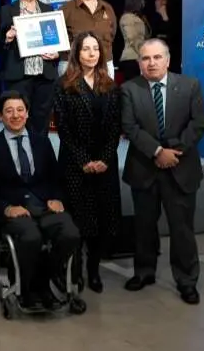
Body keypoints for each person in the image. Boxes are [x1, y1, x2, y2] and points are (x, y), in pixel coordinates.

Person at [0, 90, 81, 309]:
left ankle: (43, 282)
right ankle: (25, 289)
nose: (15, 115)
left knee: (70, 233)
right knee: (30, 237)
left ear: (28, 113)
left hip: (44, 206)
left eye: (20, 110)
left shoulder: (42, 142)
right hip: (14, 210)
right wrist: (5, 209)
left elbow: (56, 178)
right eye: (9, 111)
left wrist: (57, 198)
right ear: (0, 116)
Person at [120, 38, 204, 305]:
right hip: (144, 167)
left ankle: (187, 280)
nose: (152, 63)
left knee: (182, 229)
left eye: (157, 57)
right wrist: (157, 152)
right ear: (139, 63)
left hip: (181, 168)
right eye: (146, 58)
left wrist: (173, 152)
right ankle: (144, 272)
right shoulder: (128, 89)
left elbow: (199, 123)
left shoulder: (190, 85)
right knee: (144, 227)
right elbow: (129, 126)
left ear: (168, 60)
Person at [53, 31, 122, 293]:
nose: (91, 53)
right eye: (86, 49)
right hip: (74, 164)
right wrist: (84, 161)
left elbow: (116, 127)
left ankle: (94, 271)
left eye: (95, 49)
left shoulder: (111, 86)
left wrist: (103, 160)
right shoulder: (64, 85)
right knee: (79, 222)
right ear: (76, 54)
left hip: (105, 163)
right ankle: (76, 271)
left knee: (102, 222)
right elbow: (64, 130)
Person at [0, 0, 60, 136]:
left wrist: (56, 53)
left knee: (41, 118)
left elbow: (56, 40)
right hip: (18, 75)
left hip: (44, 74)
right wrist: (7, 37)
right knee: (18, 119)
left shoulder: (48, 10)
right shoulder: (8, 10)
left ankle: (38, 156)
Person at [60, 0, 117, 78]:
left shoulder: (107, 8)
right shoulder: (66, 9)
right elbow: (58, 39)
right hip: (73, 66)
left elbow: (112, 34)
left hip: (104, 65)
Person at [118, 0, 151, 81]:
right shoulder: (127, 18)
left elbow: (146, 36)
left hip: (140, 57)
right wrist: (142, 55)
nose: (144, 2)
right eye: (142, 0)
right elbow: (133, 39)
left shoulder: (140, 17)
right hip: (132, 59)